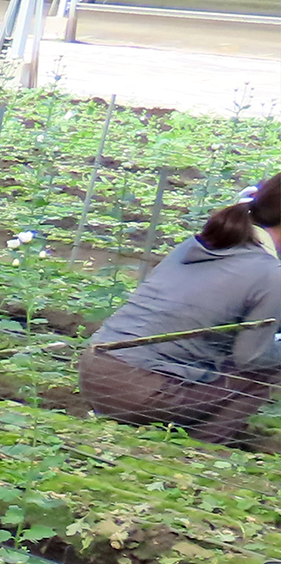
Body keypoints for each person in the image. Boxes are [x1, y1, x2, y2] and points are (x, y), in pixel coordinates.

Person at [81, 174, 281, 446]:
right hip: (143, 393)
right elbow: (251, 357)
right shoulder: (270, 274)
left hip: (94, 373)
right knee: (264, 366)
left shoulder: (200, 243)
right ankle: (200, 450)